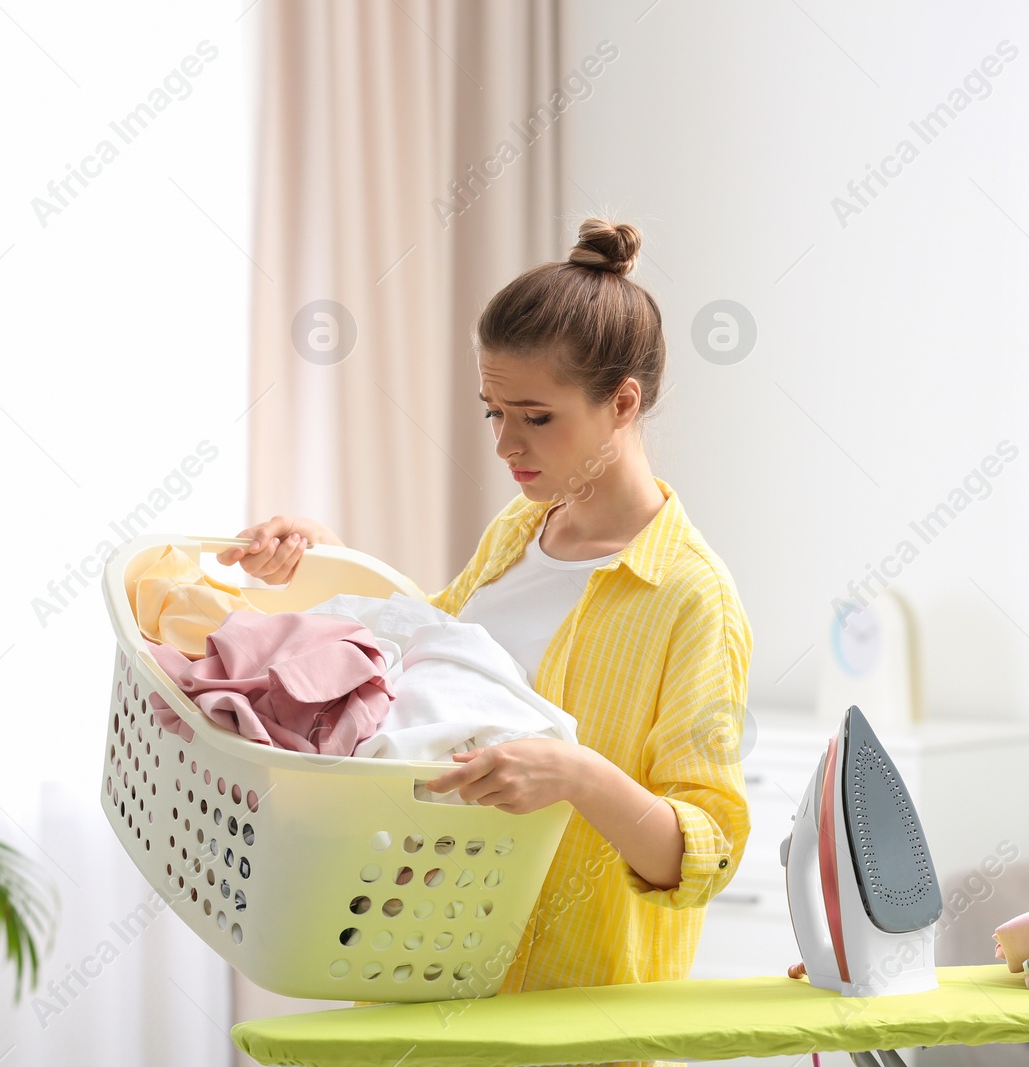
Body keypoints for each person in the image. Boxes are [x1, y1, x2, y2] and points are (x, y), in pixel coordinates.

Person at [221, 219, 754, 1066]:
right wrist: (323, 558)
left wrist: (573, 772)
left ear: (623, 402)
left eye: (535, 417)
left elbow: (707, 850)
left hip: (571, 1023)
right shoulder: (519, 532)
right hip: (428, 977)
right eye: (493, 413)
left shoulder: (692, 597)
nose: (506, 445)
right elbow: (422, 659)